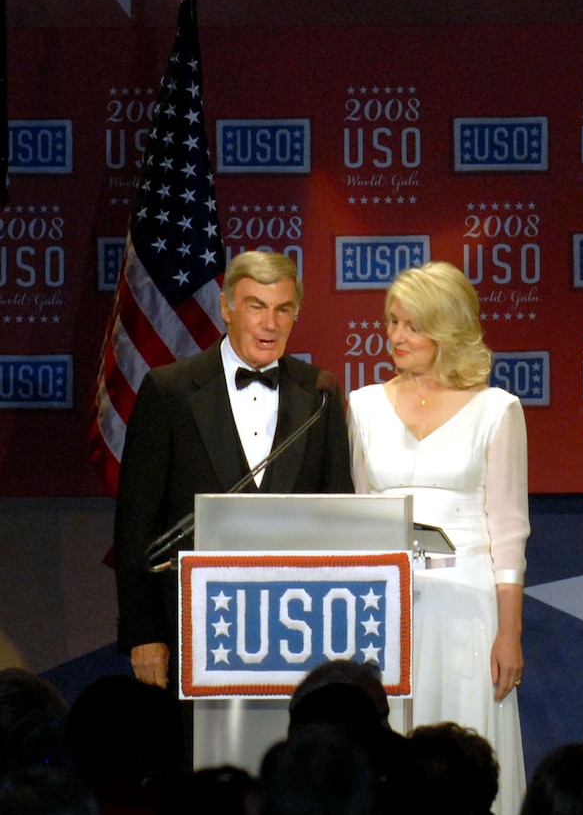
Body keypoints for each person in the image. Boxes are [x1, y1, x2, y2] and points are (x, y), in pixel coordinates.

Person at [114, 250, 352, 690]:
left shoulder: (318, 392)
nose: (271, 323)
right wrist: (144, 634)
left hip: (298, 633)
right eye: (256, 306)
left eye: (283, 309)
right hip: (195, 631)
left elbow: (339, 517)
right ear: (226, 308)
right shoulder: (169, 392)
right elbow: (136, 526)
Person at [347, 261, 528, 815]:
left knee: (462, 745)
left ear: (448, 329)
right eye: (392, 322)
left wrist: (510, 633)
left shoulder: (497, 410)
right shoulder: (361, 406)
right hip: (386, 610)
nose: (396, 336)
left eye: (413, 325)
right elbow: (356, 518)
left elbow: (509, 531)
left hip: (468, 610)